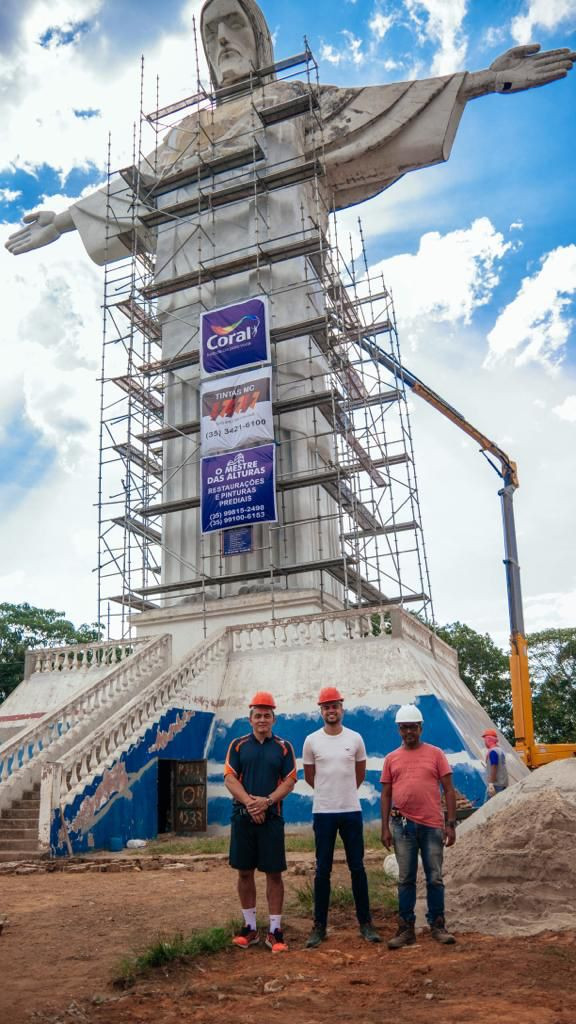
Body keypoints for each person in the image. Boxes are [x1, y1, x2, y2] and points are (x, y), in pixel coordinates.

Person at [5, 1, 575, 601]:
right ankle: (187, 601)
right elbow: (131, 190)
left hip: (278, 311)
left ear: (260, 39)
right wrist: (63, 220)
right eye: (210, 31)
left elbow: (384, 110)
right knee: (187, 452)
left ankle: (305, 591)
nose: (223, 40)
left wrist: (481, 81)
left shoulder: (293, 106)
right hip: (192, 326)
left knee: (296, 435)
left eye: (234, 24)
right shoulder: (181, 138)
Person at [302, 686, 380, 947]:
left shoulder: (355, 738)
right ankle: (319, 926)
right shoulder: (311, 741)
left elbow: (360, 773)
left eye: (334, 706)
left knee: (357, 867)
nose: (331, 710)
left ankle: (365, 923)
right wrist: (328, 793)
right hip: (323, 812)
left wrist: (344, 793)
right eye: (326, 707)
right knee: (322, 869)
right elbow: (311, 777)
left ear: (341, 709)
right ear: (321, 711)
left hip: (351, 811)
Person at [224, 691, 297, 952]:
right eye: (258, 715)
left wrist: (266, 802)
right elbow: (230, 778)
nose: (262, 720)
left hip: (272, 817)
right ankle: (250, 928)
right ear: (250, 719)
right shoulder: (238, 745)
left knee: (274, 873)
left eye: (267, 715)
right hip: (243, 817)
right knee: (245, 872)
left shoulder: (284, 747)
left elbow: (290, 780)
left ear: (274, 719)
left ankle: (275, 931)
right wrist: (249, 803)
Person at [381, 703, 457, 948]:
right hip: (402, 826)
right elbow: (386, 794)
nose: (408, 732)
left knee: (435, 877)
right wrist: (385, 828)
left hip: (432, 825)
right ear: (398, 730)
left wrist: (451, 824)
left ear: (421, 728)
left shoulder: (436, 754)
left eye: (412, 727)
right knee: (406, 879)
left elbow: (448, 790)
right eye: (404, 728)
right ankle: (406, 929)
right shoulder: (391, 758)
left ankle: (438, 925)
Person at [482, 727, 509, 799]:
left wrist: (491, 783)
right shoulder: (500, 750)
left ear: (488, 740)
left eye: (485, 740)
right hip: (503, 783)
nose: (485, 742)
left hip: (496, 785)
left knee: (488, 805)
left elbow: (494, 766)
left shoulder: (493, 751)